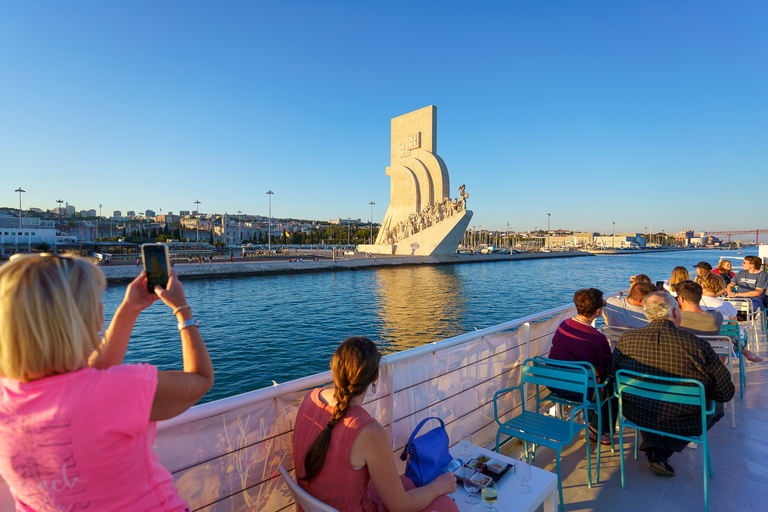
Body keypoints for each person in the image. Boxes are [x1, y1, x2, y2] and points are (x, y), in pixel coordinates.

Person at [0, 254, 214, 511]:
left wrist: (129, 309)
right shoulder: (118, 390)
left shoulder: (6, 396)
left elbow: (78, 381)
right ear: (78, 319)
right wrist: (182, 310)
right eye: (95, 301)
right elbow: (200, 379)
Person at [293, 337, 457, 512]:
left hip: (312, 506)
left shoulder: (310, 399)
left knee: (407, 483)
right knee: (447, 504)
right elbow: (401, 506)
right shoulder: (368, 431)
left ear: (332, 365)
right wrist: (440, 486)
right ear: (376, 377)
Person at [608, 292, 734, 477]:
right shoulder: (697, 345)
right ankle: (663, 451)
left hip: (637, 411)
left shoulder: (626, 340)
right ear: (676, 312)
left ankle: (655, 450)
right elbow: (725, 392)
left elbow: (612, 375)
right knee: (717, 408)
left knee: (647, 397)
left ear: (646, 314)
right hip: (684, 419)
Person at [547, 288, 617, 445]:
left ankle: (592, 424)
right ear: (598, 311)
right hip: (577, 390)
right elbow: (607, 369)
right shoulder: (597, 338)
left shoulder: (563, 325)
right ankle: (598, 431)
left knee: (593, 381)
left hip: (554, 383)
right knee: (612, 388)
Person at [697, 274, 763, 363]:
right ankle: (723, 362)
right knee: (730, 333)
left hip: (697, 340)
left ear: (702, 286)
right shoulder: (726, 305)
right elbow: (733, 329)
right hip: (721, 342)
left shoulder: (694, 302)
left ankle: (744, 352)